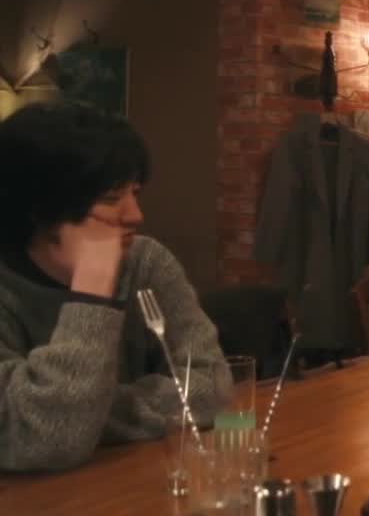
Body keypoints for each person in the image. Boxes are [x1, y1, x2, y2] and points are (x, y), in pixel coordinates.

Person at [0, 101, 231, 472]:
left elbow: (213, 390)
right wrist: (91, 295)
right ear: (41, 208)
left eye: (134, 192)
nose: (136, 215)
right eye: (111, 198)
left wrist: (85, 415)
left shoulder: (145, 261)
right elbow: (44, 439)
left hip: (134, 482)